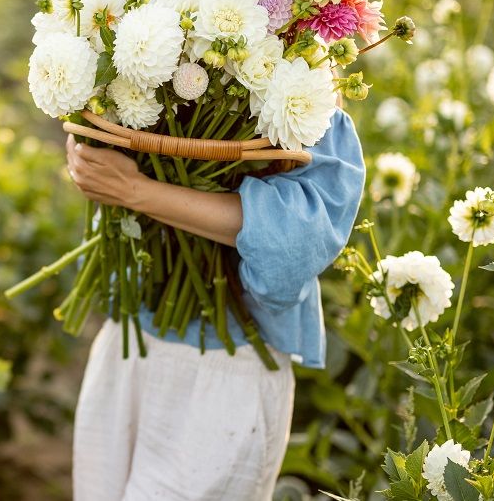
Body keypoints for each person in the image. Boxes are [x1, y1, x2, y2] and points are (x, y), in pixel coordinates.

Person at [65, 107, 365, 500]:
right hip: (128, 338)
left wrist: (138, 192)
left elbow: (296, 240)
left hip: (227, 366)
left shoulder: (311, 100)